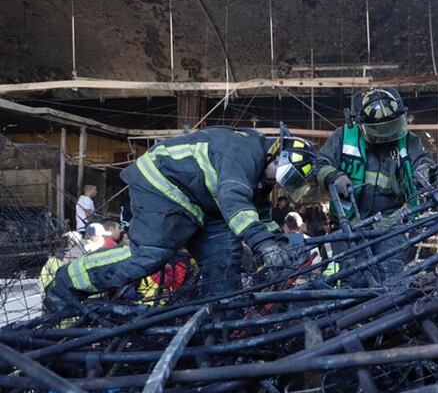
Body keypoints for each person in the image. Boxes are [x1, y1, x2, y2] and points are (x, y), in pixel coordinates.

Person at [43, 126, 320, 310]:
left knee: (224, 260)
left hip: (202, 202)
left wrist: (280, 242)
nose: (281, 185)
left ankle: (218, 326)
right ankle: (68, 281)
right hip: (163, 183)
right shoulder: (244, 152)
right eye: (285, 177)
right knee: (152, 253)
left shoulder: (262, 177)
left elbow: (257, 216)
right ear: (277, 156)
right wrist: (264, 245)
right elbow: (234, 202)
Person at [317, 88, 433, 282]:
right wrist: (333, 176)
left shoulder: (408, 141)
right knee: (353, 277)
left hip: (392, 223)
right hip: (350, 223)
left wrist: (425, 170)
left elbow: (423, 160)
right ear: (361, 124)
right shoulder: (344, 136)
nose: (386, 136)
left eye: (391, 127)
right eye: (379, 131)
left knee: (389, 275)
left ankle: (388, 311)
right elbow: (319, 164)